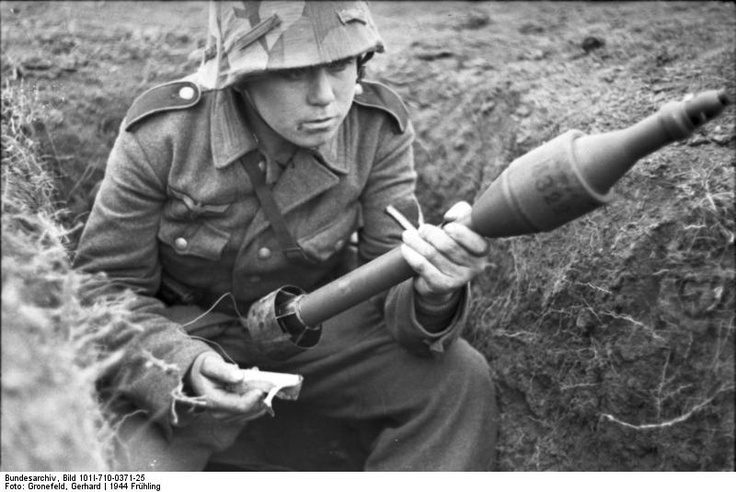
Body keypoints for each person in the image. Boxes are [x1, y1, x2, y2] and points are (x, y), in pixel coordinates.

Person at [74, 0, 498, 471]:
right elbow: (102, 291)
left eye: (339, 65)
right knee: (120, 467)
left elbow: (388, 291)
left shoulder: (374, 129)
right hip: (185, 337)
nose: (326, 97)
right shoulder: (165, 136)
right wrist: (184, 367)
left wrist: (434, 291)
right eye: (295, 73)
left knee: (458, 379)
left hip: (316, 327)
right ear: (243, 77)